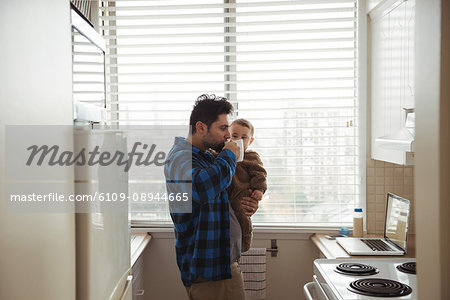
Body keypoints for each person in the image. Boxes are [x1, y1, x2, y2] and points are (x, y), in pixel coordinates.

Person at [164, 94, 259, 300]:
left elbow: (220, 193)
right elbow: (201, 188)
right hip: (209, 271)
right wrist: (229, 155)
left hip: (222, 264)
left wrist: (247, 202)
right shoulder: (180, 157)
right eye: (223, 128)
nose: (228, 135)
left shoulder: (206, 156)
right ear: (201, 127)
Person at [226, 119, 267, 252]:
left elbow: (260, 174)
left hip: (241, 194)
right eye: (235, 136)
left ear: (250, 141)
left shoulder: (251, 157)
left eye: (244, 137)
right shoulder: (223, 153)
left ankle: (245, 243)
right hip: (227, 194)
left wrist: (259, 190)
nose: (238, 140)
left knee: (243, 216)